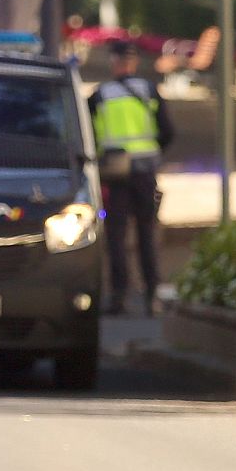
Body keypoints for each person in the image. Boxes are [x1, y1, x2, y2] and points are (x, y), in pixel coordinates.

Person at [89, 39, 174, 316]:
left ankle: (119, 295)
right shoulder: (148, 90)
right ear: (134, 62)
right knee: (146, 233)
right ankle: (152, 294)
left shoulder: (100, 95)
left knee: (116, 235)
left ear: (113, 62)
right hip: (145, 173)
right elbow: (167, 132)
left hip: (115, 175)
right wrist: (152, 153)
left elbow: (88, 137)